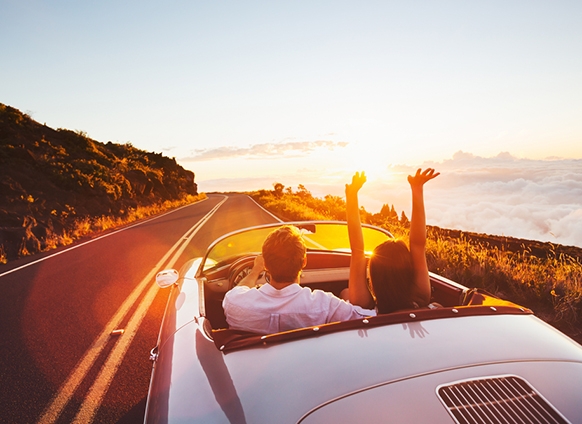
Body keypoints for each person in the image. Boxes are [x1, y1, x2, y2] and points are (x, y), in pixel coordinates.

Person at [222, 225, 375, 334]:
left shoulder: (234, 303)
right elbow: (369, 317)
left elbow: (239, 290)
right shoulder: (324, 305)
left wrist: (255, 271)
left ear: (266, 265)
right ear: (304, 262)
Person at [345, 168, 440, 313]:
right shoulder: (421, 297)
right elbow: (417, 244)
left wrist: (351, 196)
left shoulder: (364, 307)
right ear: (409, 272)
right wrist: (417, 189)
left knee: (345, 293)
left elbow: (357, 251)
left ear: (374, 277)